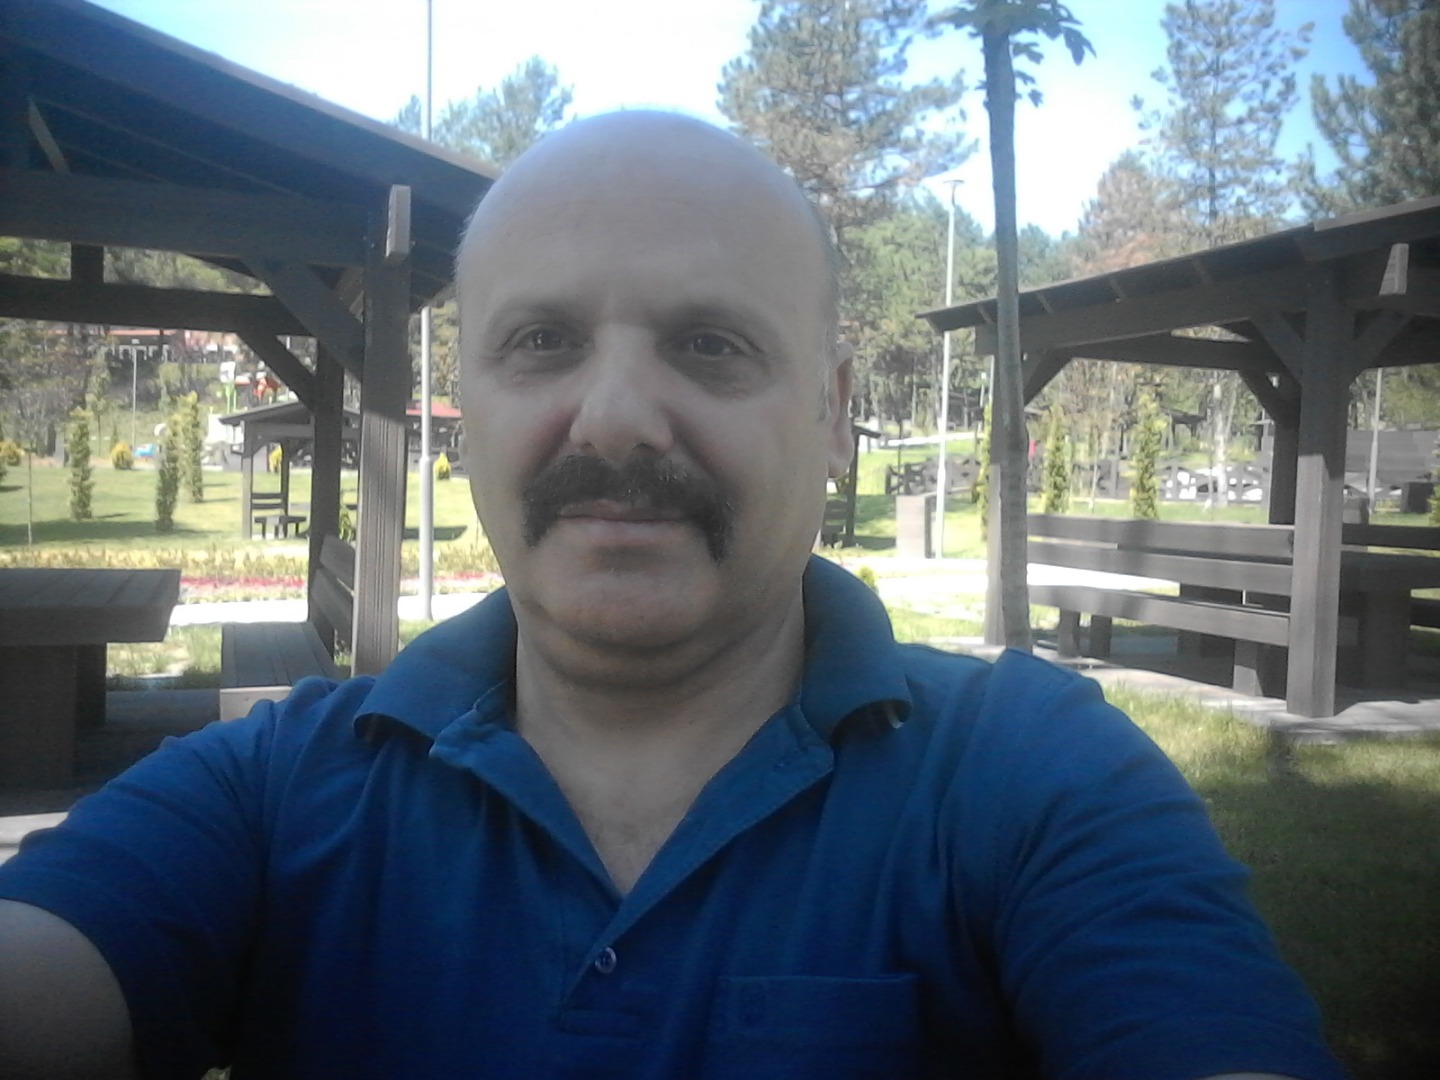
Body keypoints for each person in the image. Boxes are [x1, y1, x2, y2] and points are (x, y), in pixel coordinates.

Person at [0, 111, 1344, 1080]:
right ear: (470, 410)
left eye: (708, 343)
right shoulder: (274, 793)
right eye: (543, 341)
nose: (618, 417)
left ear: (832, 417)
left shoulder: (1034, 779)